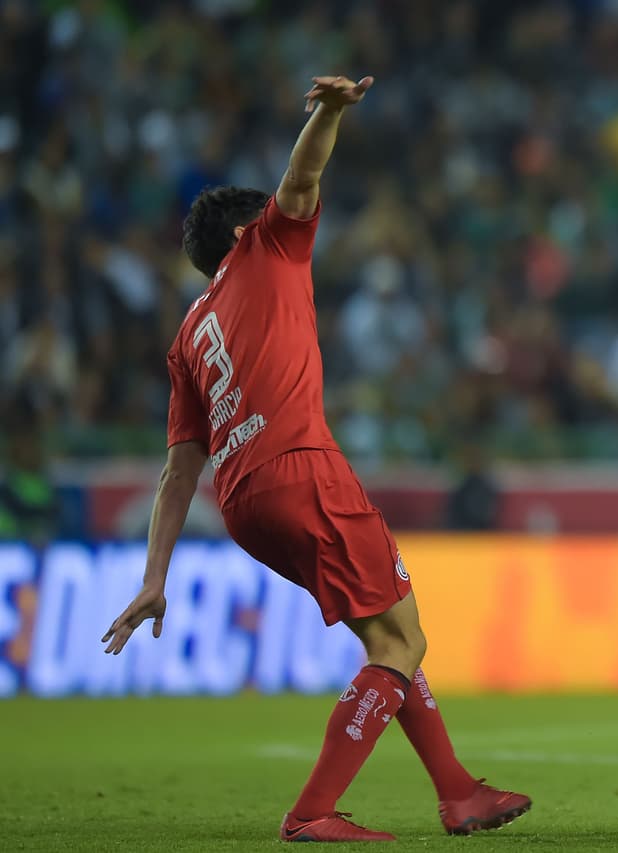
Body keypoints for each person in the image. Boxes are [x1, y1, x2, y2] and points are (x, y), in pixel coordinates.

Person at [101, 75, 531, 842]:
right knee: (401, 640)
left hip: (243, 502)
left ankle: (459, 791)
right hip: (300, 466)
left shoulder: (189, 335)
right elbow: (302, 177)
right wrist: (330, 111)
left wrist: (154, 577)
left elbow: (179, 469)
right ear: (245, 231)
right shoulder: (266, 247)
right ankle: (311, 811)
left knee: (388, 634)